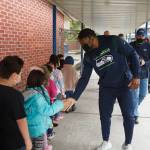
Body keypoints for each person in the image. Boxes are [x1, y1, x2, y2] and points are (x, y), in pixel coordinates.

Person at [66, 28, 140, 150]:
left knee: (129, 116)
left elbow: (132, 54)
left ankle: (128, 143)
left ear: (92, 37)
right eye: (81, 44)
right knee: (104, 116)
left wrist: (136, 76)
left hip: (124, 85)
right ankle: (106, 141)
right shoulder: (89, 55)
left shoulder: (113, 41)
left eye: (84, 43)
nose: (84, 46)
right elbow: (84, 77)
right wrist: (74, 97)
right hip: (106, 88)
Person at [23, 69, 71, 150]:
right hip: (37, 128)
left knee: (33, 145)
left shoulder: (27, 91)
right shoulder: (36, 97)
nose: (44, 82)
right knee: (38, 147)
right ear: (39, 81)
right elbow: (48, 111)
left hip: (30, 126)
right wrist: (60, 103)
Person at [0, 56, 32, 150]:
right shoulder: (15, 96)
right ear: (14, 75)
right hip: (13, 143)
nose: (21, 77)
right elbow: (21, 120)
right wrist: (27, 141)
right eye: (20, 74)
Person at [130, 28, 150, 124]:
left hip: (145, 74)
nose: (140, 37)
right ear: (136, 36)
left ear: (144, 36)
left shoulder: (148, 46)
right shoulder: (131, 45)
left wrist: (145, 62)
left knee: (143, 94)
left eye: (141, 36)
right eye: (138, 36)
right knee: (135, 95)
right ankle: (135, 115)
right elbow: (126, 59)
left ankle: (133, 108)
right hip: (134, 75)